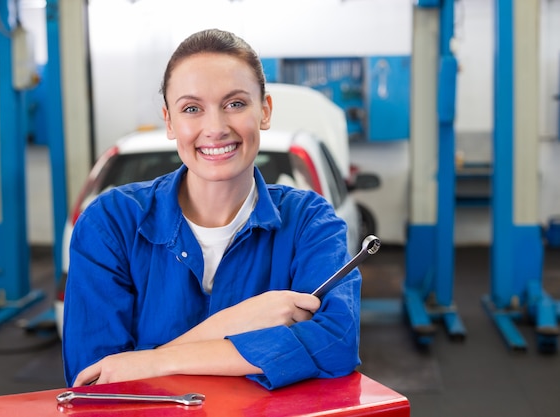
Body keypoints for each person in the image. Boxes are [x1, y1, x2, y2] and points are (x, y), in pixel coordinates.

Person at [62, 28, 361, 390]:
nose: (216, 128)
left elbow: (336, 346)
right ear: (170, 121)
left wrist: (151, 362)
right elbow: (92, 380)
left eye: (235, 104)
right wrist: (236, 322)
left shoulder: (310, 223)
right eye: (192, 109)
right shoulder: (110, 223)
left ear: (264, 111)